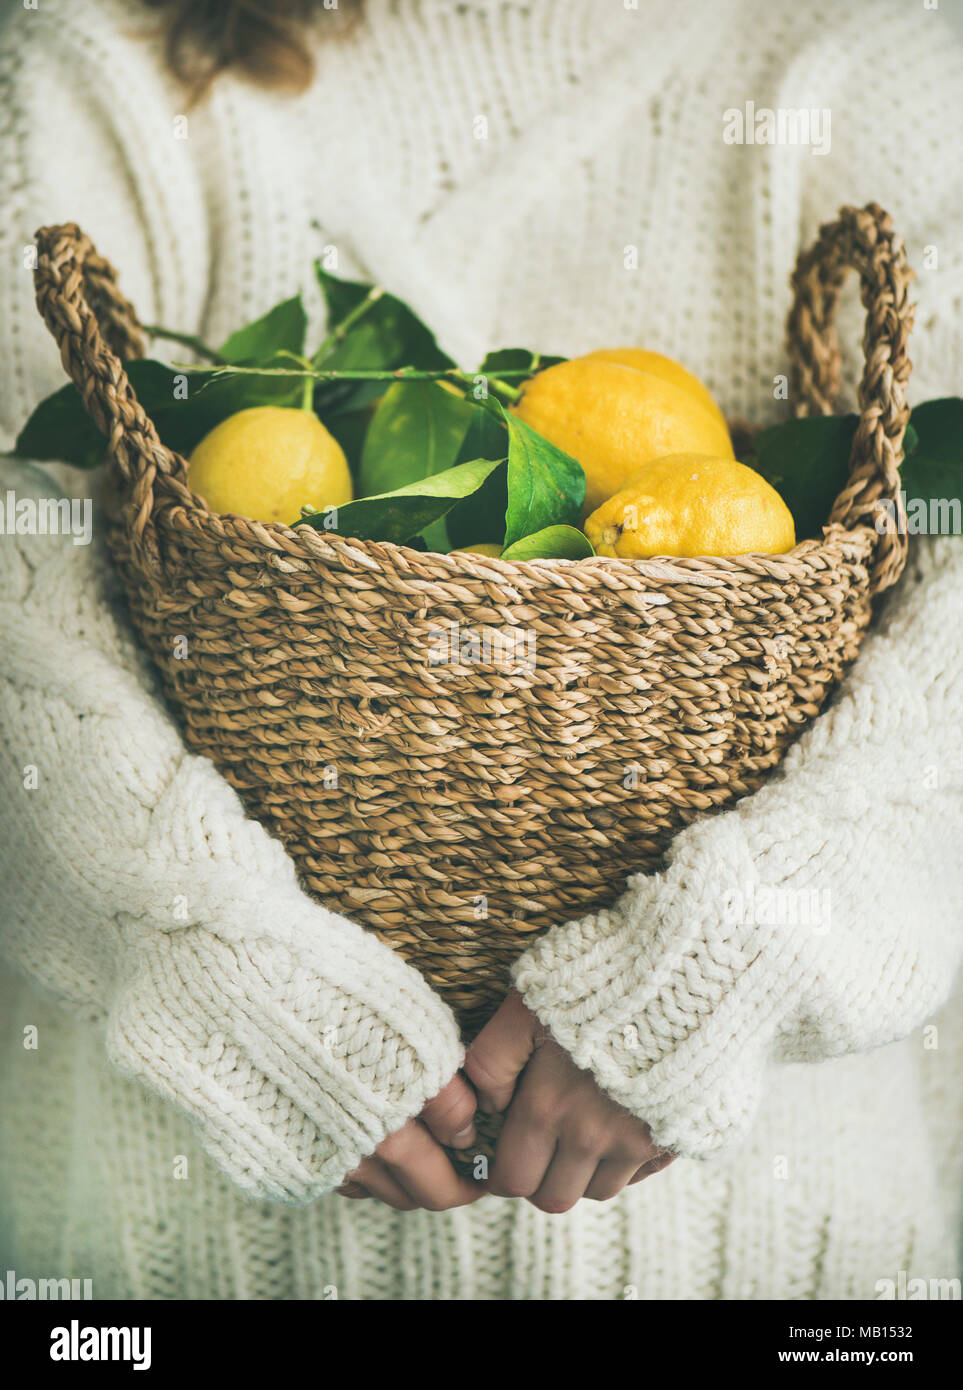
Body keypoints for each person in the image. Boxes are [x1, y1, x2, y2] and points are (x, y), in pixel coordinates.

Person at [0, 0, 961, 1301]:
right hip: (183, 1270)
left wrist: (734, 955)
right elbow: (18, 573)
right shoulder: (100, 65)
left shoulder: (883, 63)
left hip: (787, 1276)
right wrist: (211, 954)